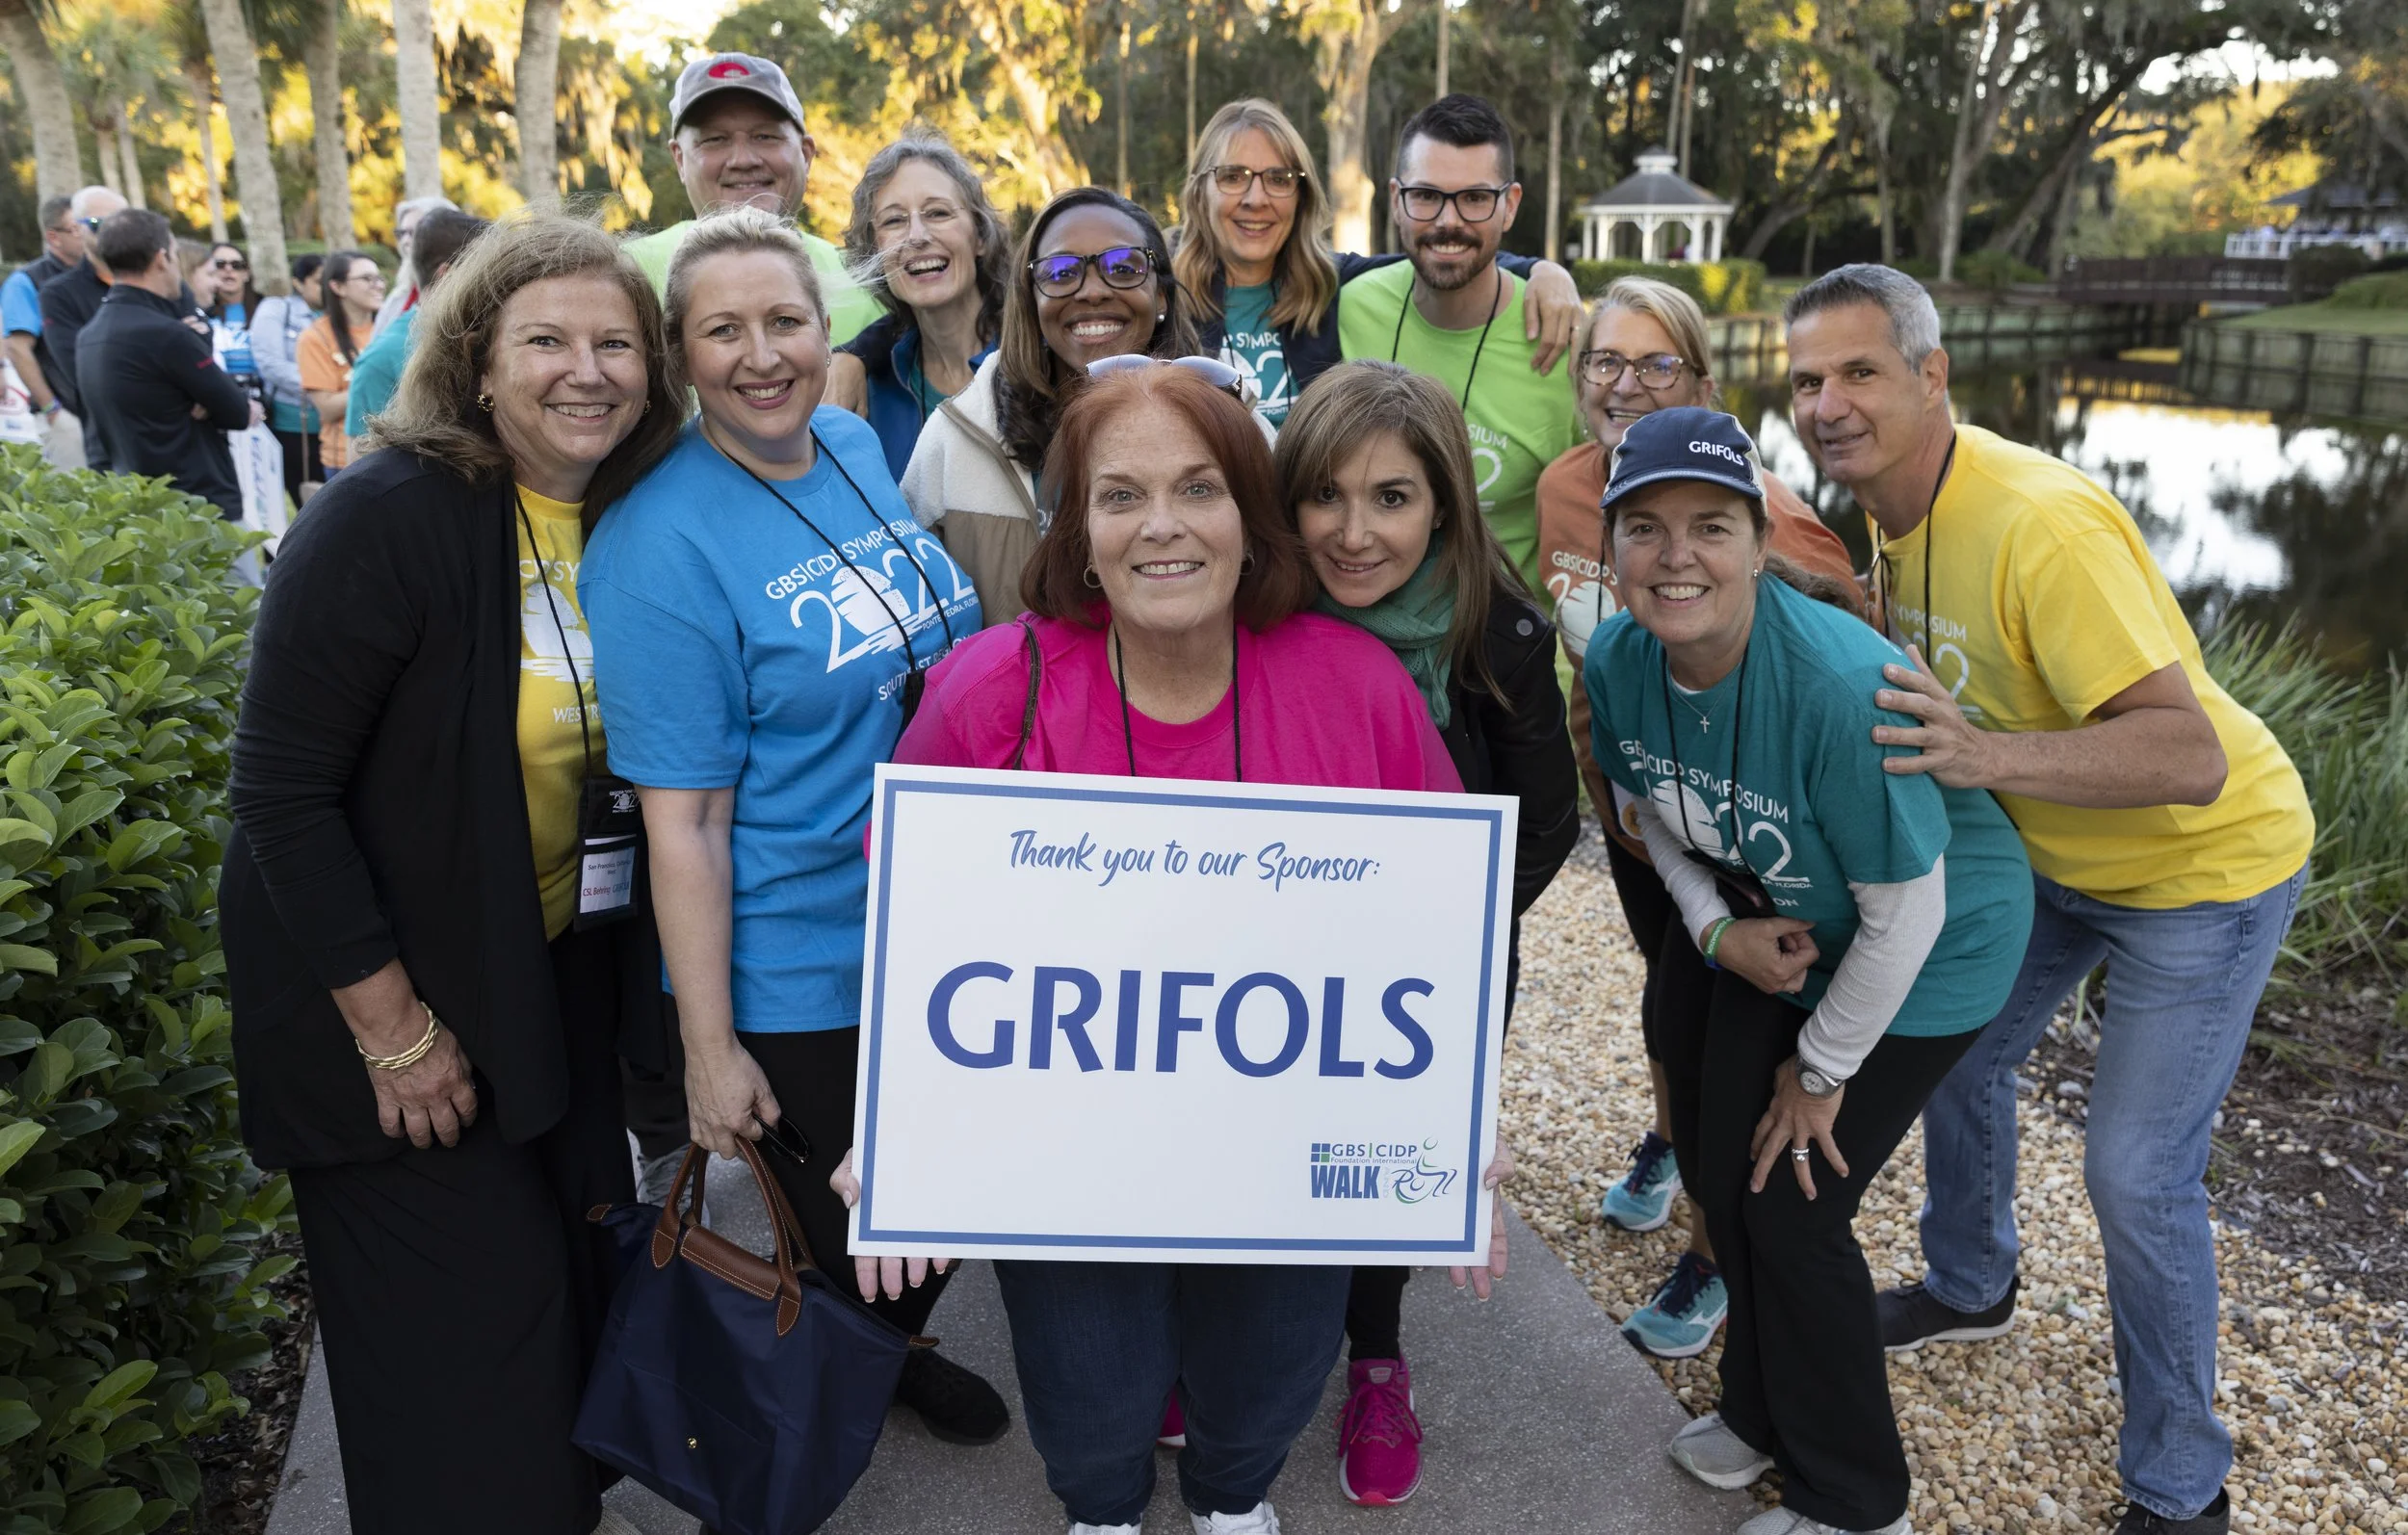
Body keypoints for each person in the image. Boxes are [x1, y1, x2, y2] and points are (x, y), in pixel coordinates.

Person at [891, 359, 1479, 1535]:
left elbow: (1432, 923)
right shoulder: (991, 689)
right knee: (1088, 1385)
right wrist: (900, 1124)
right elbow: (910, 909)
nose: (1161, 526)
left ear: (1251, 519)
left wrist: (1460, 1131)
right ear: (1078, 529)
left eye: (1200, 488)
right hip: (1063, 1149)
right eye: (1119, 496)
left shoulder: (1355, 687)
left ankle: (1227, 1499)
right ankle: (1105, 1511)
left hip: (1281, 1143)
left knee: (1270, 1365)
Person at [1784, 265, 2315, 1535]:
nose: (1828, 403)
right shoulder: (1889, 508)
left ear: (1932, 376)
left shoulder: (2039, 520)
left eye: (1860, 372)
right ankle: (1972, 1282)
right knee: (1958, 1047)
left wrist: (1984, 758)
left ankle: (2184, 1487)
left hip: (2206, 868)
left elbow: (2185, 758)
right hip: (2063, 864)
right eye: (1806, 380)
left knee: (2135, 1168)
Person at [222, 211, 684, 1535]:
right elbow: (278, 791)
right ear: (479, 360)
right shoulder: (387, 515)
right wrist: (393, 1032)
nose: (585, 370)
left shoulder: (622, 515)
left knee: (561, 1321)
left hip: (539, 984)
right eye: (547, 340)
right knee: (464, 1373)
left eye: (616, 343)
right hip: (386, 1007)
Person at [578, 206, 1007, 1449]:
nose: (760, 353)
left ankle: (890, 1347)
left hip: (934, 914)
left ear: (827, 333)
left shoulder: (847, 439)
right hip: (796, 947)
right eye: (723, 330)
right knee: (852, 1222)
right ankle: (784, 1435)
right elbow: (687, 823)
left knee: (945, 1191)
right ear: (679, 354)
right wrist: (706, 1049)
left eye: (784, 320)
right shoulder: (656, 542)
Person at [1585, 406, 2033, 1535]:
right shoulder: (1618, 656)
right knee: (1713, 1162)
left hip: (1931, 949)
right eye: (1643, 528)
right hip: (1785, 927)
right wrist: (1707, 930)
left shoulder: (1837, 685)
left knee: (1792, 1206)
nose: (1675, 556)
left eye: (1709, 526)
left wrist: (1823, 1067)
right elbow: (1653, 815)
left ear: (1757, 539)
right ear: (1610, 548)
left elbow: (1911, 909)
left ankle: (1853, 1496)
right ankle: (1757, 1416)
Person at [1533, 275, 1860, 1363]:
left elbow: (1845, 623)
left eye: (1655, 363)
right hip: (1630, 805)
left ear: (1700, 379)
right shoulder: (1561, 492)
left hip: (1743, 832)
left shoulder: (1758, 503)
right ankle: (1668, 1144)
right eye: (1604, 363)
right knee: (1665, 1011)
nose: (1625, 384)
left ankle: (1719, 1255)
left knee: (1717, 1034)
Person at [1272, 358, 1578, 1507]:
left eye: (1391, 498)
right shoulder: (1257, 612)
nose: (1354, 533)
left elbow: (1545, 820)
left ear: (1442, 501)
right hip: (1267, 957)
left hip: (1426, 969)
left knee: (1379, 1169)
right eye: (1326, 497)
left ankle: (1376, 1361)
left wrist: (1442, 932)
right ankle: (1228, 1343)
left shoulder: (1492, 627)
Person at [1173, 98, 1582, 431]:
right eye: (1233, 176)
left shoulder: (1331, 286)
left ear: (1301, 196)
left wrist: (1544, 271)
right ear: (1199, 190)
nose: (1256, 198)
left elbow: (1442, 252)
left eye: (1278, 179)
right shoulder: (1165, 300)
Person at [901, 186, 1201, 625]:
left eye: (1123, 267)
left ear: (1160, 296)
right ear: (1032, 300)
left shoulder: (1230, 421)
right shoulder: (956, 439)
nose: (1093, 291)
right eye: (1060, 272)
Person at [1338, 94, 1583, 587]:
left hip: (1508, 644)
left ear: (1509, 206)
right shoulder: (1349, 306)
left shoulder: (1565, 342)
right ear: (1397, 200)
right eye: (1427, 195)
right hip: (1370, 635)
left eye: (1474, 198)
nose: (1449, 221)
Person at [622, 51, 879, 345]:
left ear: (806, 154)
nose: (743, 160)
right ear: (679, 160)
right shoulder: (626, 276)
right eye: (715, 139)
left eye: (766, 136)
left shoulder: (865, 279)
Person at [826, 131, 1008, 477]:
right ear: (875, 252)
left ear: (980, 236)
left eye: (938, 213)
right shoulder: (869, 390)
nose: (917, 236)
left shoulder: (1039, 362)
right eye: (894, 220)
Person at [73, 210, 261, 518]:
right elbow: (238, 412)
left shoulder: (89, 334)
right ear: (162, 258)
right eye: (175, 255)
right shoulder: (167, 334)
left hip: (136, 501)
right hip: (198, 508)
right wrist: (211, 401)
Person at [348, 208, 492, 450]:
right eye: (487, 271)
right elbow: (361, 469)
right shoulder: (382, 359)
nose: (497, 283)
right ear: (448, 275)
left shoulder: (489, 337)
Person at [39, 183, 130, 467]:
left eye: (123, 222)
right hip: (110, 439)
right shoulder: (56, 292)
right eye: (98, 223)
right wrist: (50, 407)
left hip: (180, 440)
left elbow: (197, 342)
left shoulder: (161, 278)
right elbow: (82, 369)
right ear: (76, 229)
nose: (113, 231)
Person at [3, 194, 86, 465]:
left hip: (110, 412)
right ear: (54, 237)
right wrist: (52, 409)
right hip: (67, 416)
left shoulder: (103, 275)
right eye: (77, 227)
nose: (86, 233)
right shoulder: (26, 281)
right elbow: (18, 348)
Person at [297, 250, 386, 476]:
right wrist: (377, 380)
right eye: (367, 279)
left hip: (394, 450)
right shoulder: (315, 337)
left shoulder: (390, 330)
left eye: (379, 278)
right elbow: (326, 408)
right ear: (338, 287)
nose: (378, 285)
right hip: (345, 459)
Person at [251, 254, 327, 497]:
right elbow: (270, 363)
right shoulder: (277, 310)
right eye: (318, 281)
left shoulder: (340, 313)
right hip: (295, 423)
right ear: (298, 283)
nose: (326, 288)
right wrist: (323, 387)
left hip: (335, 426)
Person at [370, 193, 459, 338]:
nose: (405, 241)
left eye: (415, 232)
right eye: (402, 233)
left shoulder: (464, 290)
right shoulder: (399, 295)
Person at [196, 242, 263, 391]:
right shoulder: (201, 313)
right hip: (221, 391)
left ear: (246, 273)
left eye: (236, 265)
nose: (228, 269)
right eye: (220, 264)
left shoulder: (266, 309)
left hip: (264, 392)